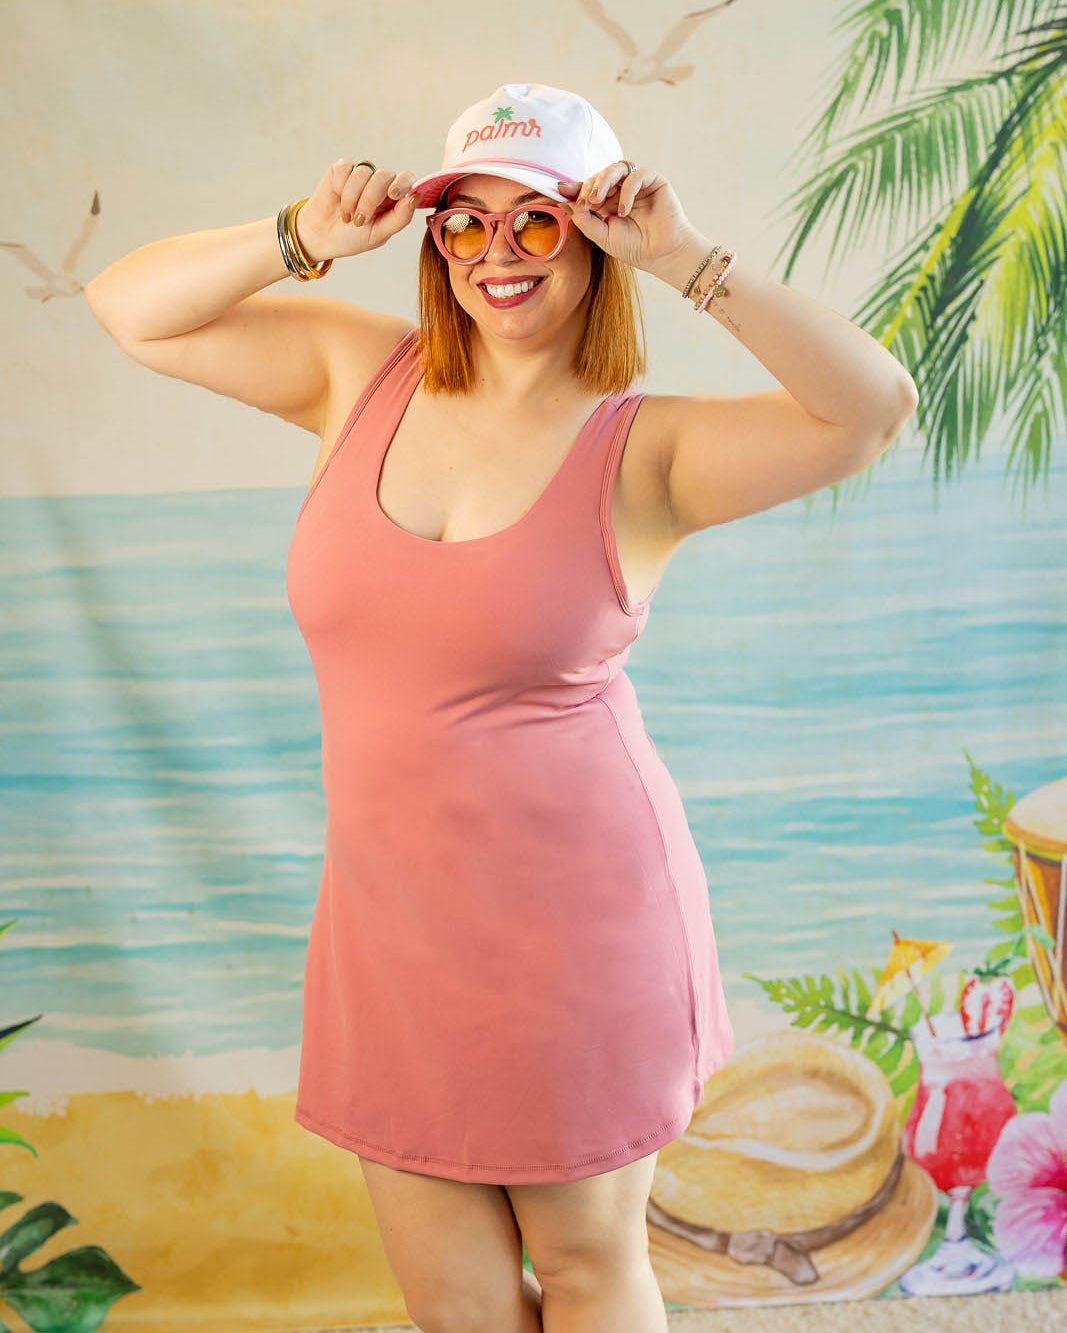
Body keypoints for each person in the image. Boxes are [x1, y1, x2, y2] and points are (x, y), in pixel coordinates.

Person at [85, 79, 917, 1333]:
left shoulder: (648, 450)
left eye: (533, 222)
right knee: (455, 1301)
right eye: (460, 223)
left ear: (592, 231)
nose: (493, 256)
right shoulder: (354, 372)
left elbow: (872, 407)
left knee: (585, 1268)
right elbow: (128, 309)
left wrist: (688, 258)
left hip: (579, 934)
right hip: (390, 924)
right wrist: (299, 233)